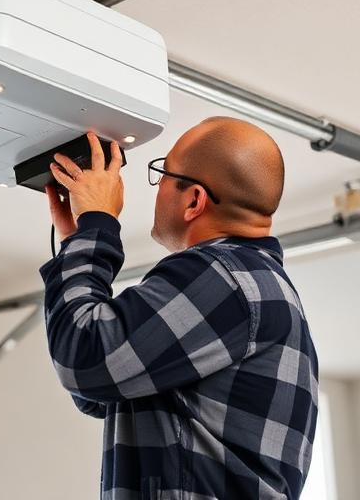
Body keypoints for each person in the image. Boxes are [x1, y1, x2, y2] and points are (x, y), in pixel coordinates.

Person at [41, 117, 318, 499]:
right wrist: (78, 241)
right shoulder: (251, 284)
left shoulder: (222, 276)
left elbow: (84, 361)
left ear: (194, 200)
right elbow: (99, 390)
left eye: (163, 174)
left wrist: (97, 228)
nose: (156, 190)